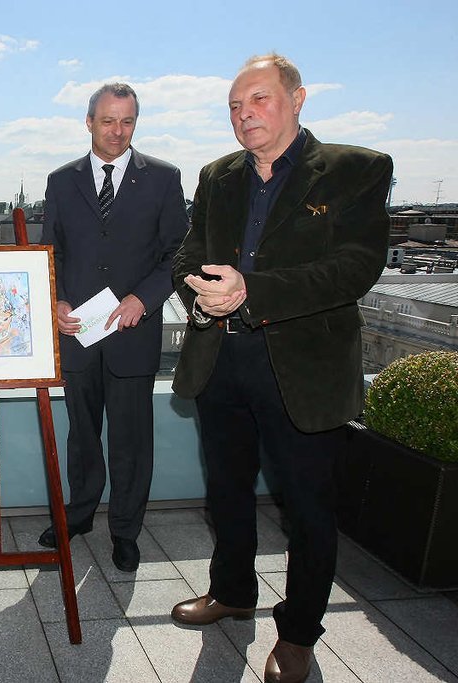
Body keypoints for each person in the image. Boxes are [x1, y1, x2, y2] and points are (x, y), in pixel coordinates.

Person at [170, 54, 392, 683]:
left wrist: (251, 292)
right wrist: (201, 295)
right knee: (227, 491)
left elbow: (354, 268)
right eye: (235, 106)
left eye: (259, 99)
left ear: (297, 98)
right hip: (221, 362)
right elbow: (188, 254)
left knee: (308, 510)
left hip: (303, 372)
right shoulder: (217, 176)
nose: (245, 115)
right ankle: (233, 591)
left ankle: (298, 634)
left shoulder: (355, 170)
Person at [39, 83, 189, 571]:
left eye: (127, 121)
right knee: (81, 436)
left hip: (132, 333)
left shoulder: (164, 178)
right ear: (89, 122)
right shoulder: (61, 181)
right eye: (108, 121)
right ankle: (79, 515)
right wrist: (56, 297)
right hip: (78, 334)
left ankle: (125, 531)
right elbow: (51, 252)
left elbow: (178, 253)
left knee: (131, 443)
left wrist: (142, 298)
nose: (117, 131)